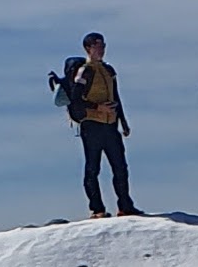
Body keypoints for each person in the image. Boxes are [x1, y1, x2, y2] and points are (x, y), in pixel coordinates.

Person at [60, 31, 141, 218]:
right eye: (97, 46)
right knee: (93, 168)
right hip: (92, 125)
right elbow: (76, 99)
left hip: (110, 125)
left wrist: (123, 122)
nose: (101, 49)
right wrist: (98, 107)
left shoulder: (109, 70)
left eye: (103, 45)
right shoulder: (85, 71)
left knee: (120, 167)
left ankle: (125, 206)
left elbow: (116, 96)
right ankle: (97, 209)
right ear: (88, 48)